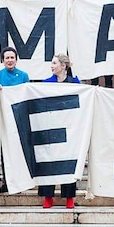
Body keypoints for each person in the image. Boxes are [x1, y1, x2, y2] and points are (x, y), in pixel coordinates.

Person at [40, 54, 80, 209]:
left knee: (68, 162)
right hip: (51, 126)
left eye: (54, 63)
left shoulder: (74, 83)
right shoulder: (46, 83)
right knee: (48, 162)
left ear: (63, 66)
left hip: (70, 127)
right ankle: (48, 196)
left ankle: (69, 197)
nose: (51, 66)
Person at [0, 46, 29, 194]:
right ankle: (6, 182)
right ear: (3, 60)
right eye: (7, 58)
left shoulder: (24, 75)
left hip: (18, 119)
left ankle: (18, 182)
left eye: (12, 57)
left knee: (17, 152)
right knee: (3, 152)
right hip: (2, 119)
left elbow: (27, 94)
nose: (10, 60)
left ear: (16, 59)